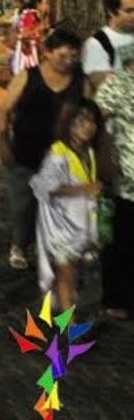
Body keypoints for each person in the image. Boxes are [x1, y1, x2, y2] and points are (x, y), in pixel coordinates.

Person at [0, 29, 88, 270]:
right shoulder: (28, 77)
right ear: (47, 53)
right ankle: (20, 244)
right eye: (62, 55)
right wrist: (3, 141)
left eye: (73, 55)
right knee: (24, 205)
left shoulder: (81, 82)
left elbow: (90, 113)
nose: (68, 60)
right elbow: (5, 110)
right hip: (27, 153)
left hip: (63, 158)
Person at [30, 99, 102, 312]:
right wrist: (83, 190)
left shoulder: (88, 152)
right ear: (68, 123)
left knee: (71, 279)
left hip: (80, 229)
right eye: (81, 121)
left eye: (92, 121)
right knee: (66, 280)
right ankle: (70, 333)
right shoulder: (58, 153)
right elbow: (44, 185)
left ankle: (64, 322)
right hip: (61, 230)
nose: (88, 127)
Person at [93, 57, 134, 321]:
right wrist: (102, 154)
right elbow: (94, 119)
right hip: (128, 177)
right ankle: (117, 297)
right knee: (124, 239)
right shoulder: (117, 83)